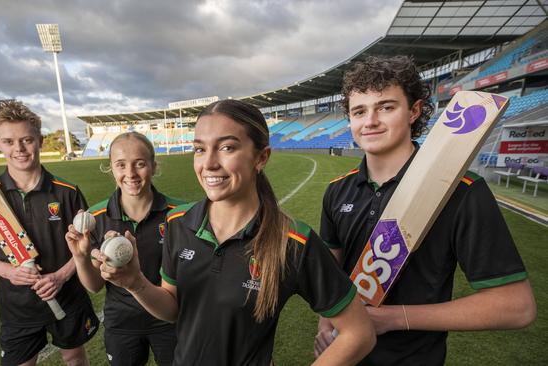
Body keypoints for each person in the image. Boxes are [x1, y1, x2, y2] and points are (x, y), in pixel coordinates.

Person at [87, 99, 376, 365]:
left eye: (226, 147)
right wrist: (135, 282)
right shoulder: (177, 223)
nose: (209, 163)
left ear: (261, 158)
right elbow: (174, 309)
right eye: (200, 149)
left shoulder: (293, 241)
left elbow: (359, 332)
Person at [316, 56, 536, 365]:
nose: (370, 121)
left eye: (386, 107)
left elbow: (516, 306)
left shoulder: (461, 191)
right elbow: (331, 274)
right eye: (359, 111)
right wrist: (326, 323)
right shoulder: (337, 190)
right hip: (345, 355)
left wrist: (393, 318)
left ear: (414, 111)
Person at [0, 99, 99, 366]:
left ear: (40, 140)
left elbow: (89, 245)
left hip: (68, 297)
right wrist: (8, 271)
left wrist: (60, 276)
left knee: (75, 358)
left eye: (26, 140)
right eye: (9, 141)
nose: (19, 149)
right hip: (17, 308)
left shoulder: (66, 192)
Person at [66, 132, 183, 366]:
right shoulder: (96, 217)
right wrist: (80, 257)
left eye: (139, 164)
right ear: (110, 167)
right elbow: (95, 286)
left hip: (170, 321)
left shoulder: (179, 214)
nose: (130, 174)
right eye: (120, 165)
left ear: (153, 165)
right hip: (122, 325)